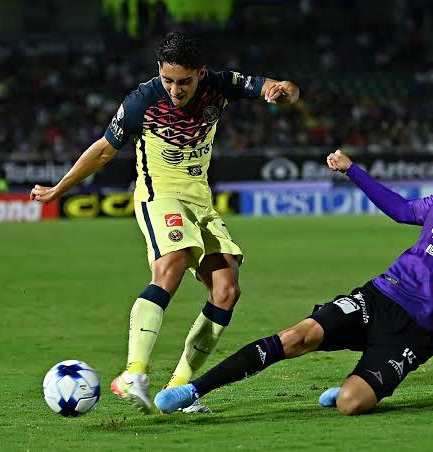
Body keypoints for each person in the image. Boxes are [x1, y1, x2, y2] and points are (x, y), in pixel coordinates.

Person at [154, 144, 433, 416]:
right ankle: (193, 389)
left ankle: (355, 385)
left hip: (415, 333)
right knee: (298, 336)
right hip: (379, 297)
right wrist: (353, 170)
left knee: (351, 404)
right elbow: (399, 209)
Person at [30, 31, 300, 413]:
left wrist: (285, 92)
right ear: (159, 71)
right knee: (172, 261)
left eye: (185, 81)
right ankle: (133, 372)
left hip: (200, 200)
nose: (175, 89)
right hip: (159, 194)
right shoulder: (143, 100)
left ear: (200, 73)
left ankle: (179, 388)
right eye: (169, 79)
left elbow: (279, 86)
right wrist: (60, 189)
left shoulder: (220, 84)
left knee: (226, 290)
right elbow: (104, 150)